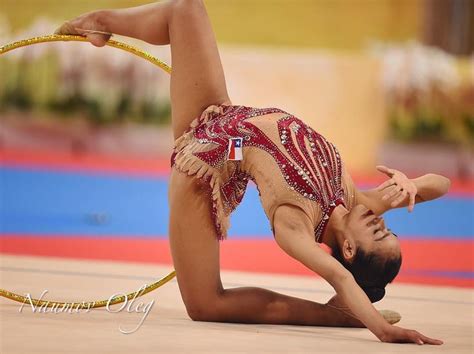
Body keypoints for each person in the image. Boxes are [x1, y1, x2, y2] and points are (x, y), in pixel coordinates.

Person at [55, 0, 449, 345]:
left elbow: (341, 279)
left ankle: (332, 316)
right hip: (217, 115)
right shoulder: (357, 201)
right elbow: (441, 185)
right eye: (388, 226)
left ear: (348, 249)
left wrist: (380, 328)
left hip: (200, 173)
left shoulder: (294, 224)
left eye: (378, 232)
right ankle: (101, 22)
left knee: (207, 304)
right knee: (185, 8)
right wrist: (412, 183)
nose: (381, 220)